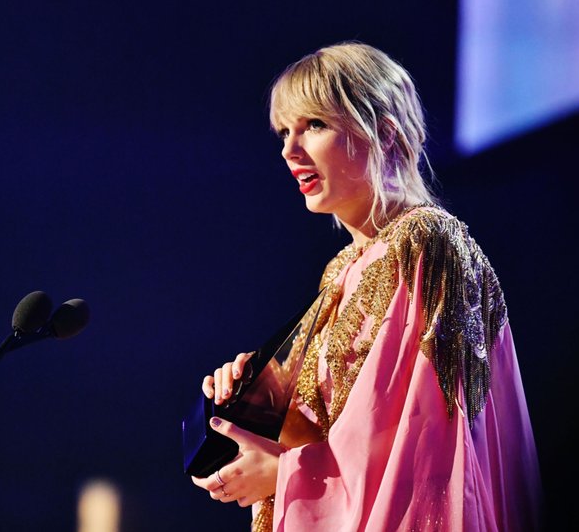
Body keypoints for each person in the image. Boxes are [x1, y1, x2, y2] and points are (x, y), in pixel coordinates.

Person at [191, 41, 542, 532]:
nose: (290, 151)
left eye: (315, 125)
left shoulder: (427, 243)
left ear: (385, 133)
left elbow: (433, 449)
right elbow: (335, 435)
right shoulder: (340, 270)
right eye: (285, 132)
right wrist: (266, 399)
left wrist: (284, 475)